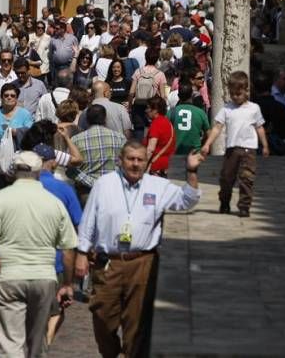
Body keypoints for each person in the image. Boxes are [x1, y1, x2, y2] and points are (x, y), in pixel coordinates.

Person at [76, 142, 205, 357]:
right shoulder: (104, 184)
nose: (135, 164)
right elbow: (88, 220)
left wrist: (191, 170)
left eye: (140, 160)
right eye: (131, 159)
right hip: (109, 263)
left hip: (143, 262)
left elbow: (188, 200)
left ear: (147, 162)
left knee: (136, 323)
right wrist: (81, 252)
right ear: (120, 160)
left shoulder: (157, 185)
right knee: (101, 316)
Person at [0, 151, 77, 358]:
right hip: (44, 276)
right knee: (38, 340)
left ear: (14, 172)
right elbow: (68, 248)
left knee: (11, 342)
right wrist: (68, 284)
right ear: (38, 171)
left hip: (8, 276)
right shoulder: (53, 202)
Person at [32, 143, 81, 346]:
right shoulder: (64, 189)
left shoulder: (17, 189)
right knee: (56, 309)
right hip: (55, 261)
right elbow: (79, 221)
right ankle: (45, 342)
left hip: (25, 260)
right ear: (53, 163)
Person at [201, 71, 269, 217]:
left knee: (246, 179)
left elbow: (260, 127)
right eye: (232, 94)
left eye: (238, 93)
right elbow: (217, 127)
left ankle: (244, 206)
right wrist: (207, 144)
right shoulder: (227, 109)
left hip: (248, 150)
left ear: (246, 91)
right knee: (226, 178)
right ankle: (224, 202)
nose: (235, 97)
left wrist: (265, 145)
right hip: (232, 149)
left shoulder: (254, 108)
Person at [69, 105, 127, 203]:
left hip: (86, 192)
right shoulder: (120, 138)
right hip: (113, 190)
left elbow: (71, 169)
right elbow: (124, 165)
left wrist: (90, 181)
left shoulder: (75, 140)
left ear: (87, 119)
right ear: (105, 119)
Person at [128, 48, 166, 140]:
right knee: (152, 128)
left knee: (139, 129)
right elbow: (163, 96)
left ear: (145, 57)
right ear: (157, 59)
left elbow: (131, 92)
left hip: (138, 104)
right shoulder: (160, 74)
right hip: (152, 106)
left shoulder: (138, 71)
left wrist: (130, 105)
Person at [143, 96, 176, 177]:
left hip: (155, 167)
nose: (146, 111)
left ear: (155, 110)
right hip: (167, 166)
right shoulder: (168, 122)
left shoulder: (156, 124)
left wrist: (142, 165)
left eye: (148, 108)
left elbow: (150, 149)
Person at [49, 21, 79, 85]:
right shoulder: (53, 39)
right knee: (57, 85)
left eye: (57, 28)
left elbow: (76, 51)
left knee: (68, 84)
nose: (55, 30)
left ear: (63, 29)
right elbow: (51, 53)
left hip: (68, 66)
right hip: (56, 67)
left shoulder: (72, 38)